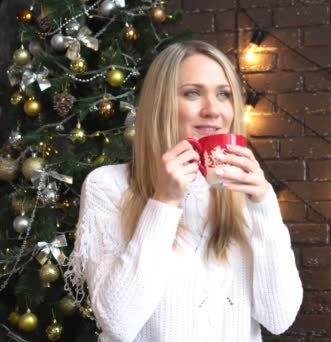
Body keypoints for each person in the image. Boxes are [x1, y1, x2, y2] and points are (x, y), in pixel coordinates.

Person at [64, 40, 303, 341]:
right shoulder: (108, 185)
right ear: (161, 104)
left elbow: (279, 317)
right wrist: (164, 202)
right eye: (192, 93)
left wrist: (265, 207)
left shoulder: (243, 192)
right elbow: (119, 322)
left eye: (224, 95)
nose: (213, 110)